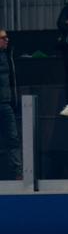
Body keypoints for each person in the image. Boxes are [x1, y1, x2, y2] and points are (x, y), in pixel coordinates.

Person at [0, 28, 17, 180]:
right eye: (3, 38)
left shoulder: (8, 54)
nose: (7, 40)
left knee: (12, 137)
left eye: (7, 37)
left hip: (6, 102)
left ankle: (17, 171)